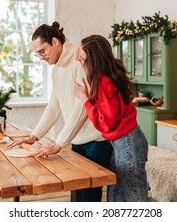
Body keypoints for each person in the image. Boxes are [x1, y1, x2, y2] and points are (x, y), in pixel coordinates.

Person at [7, 22, 112, 202]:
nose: (41, 57)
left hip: (97, 142)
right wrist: (34, 136)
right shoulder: (57, 69)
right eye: (37, 53)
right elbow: (54, 106)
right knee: (77, 197)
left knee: (88, 200)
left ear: (55, 42)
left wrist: (58, 143)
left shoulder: (80, 62)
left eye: (42, 51)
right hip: (78, 141)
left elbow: (82, 109)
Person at [73, 34, 149, 202]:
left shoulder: (105, 83)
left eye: (83, 59)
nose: (80, 62)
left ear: (94, 61)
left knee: (135, 198)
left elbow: (106, 124)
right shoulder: (105, 78)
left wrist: (85, 100)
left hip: (128, 143)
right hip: (123, 142)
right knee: (116, 196)